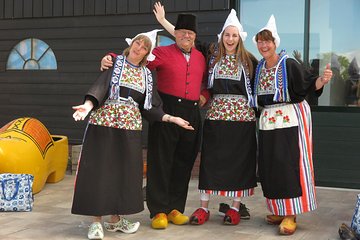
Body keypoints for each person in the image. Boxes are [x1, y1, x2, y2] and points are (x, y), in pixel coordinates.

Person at [71, 29, 194, 239]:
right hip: (105, 123)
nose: (140, 48)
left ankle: (116, 220)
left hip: (130, 127)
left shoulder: (147, 75)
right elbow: (100, 88)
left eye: (145, 47)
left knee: (124, 171)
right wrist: (87, 106)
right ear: (131, 44)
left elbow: (151, 107)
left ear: (147, 53)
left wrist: (171, 118)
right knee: (101, 170)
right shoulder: (114, 63)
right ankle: (96, 222)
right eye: (138, 43)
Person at [100, 11, 208, 229]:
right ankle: (158, 210)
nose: (186, 36)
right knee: (161, 161)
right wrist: (111, 57)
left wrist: (205, 94)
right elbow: (136, 59)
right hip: (166, 109)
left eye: (190, 33)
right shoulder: (161, 52)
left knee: (183, 162)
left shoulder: (201, 57)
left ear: (195, 36)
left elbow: (206, 80)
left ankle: (175, 208)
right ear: (175, 33)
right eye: (182, 32)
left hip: (192, 112)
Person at [152, 4, 258, 226]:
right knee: (209, 161)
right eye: (227, 35)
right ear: (222, 37)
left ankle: (234, 207)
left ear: (240, 38)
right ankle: (201, 207)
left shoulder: (250, 61)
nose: (230, 39)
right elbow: (184, 36)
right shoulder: (211, 53)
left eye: (234, 35)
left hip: (241, 120)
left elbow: (267, 76)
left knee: (236, 162)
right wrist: (163, 21)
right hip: (215, 117)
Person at [252, 15, 333, 235]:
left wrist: (322, 80)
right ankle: (279, 209)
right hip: (268, 120)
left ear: (275, 42)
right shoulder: (259, 67)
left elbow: (308, 84)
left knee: (288, 163)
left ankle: (291, 213)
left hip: (291, 117)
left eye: (267, 40)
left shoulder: (288, 63)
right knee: (271, 165)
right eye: (260, 41)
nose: (264, 45)